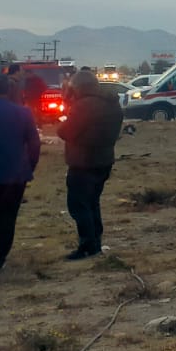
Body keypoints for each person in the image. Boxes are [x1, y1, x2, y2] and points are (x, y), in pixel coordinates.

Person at [60, 71, 122, 261]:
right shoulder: (112, 103)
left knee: (78, 205)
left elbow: (66, 131)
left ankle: (87, 245)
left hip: (83, 161)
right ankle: (95, 240)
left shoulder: (83, 106)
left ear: (78, 88)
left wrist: (62, 123)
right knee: (92, 202)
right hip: (104, 159)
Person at [0, 73, 40, 270]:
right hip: (14, 177)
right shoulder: (24, 113)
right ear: (8, 90)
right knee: (6, 219)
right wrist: (28, 168)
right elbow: (34, 145)